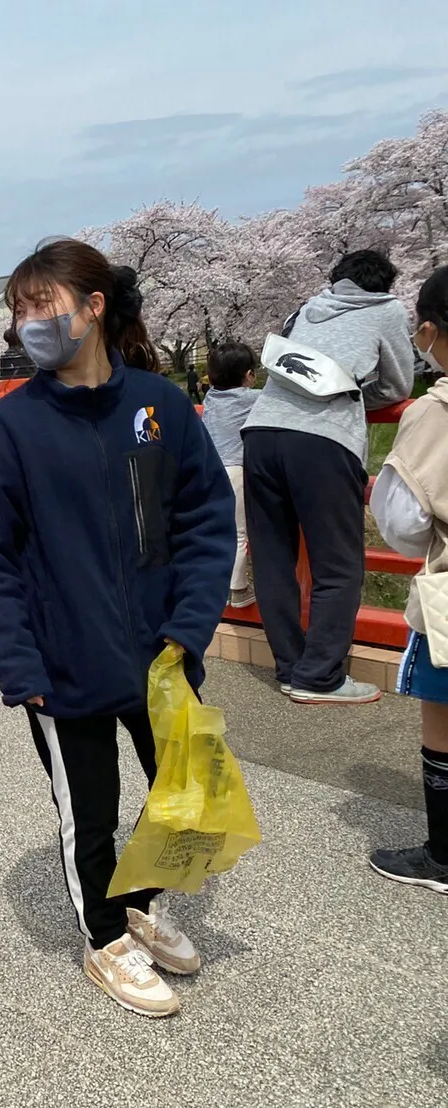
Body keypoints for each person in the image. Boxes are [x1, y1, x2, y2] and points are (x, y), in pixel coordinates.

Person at [0, 238, 234, 1019]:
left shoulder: (160, 406)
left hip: (163, 651)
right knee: (91, 812)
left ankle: (137, 901)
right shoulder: (8, 430)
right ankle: (106, 938)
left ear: (94, 307)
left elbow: (207, 521)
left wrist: (189, 626)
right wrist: (21, 667)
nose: (28, 322)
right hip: (63, 662)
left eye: (41, 305)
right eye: (20, 310)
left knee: (192, 792)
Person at [242, 248, 416, 704]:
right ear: (386, 284)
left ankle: (290, 667)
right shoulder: (388, 309)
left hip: (261, 431)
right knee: (338, 563)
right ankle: (319, 676)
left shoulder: (307, 308)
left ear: (336, 278)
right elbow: (398, 385)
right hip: (322, 439)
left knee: (273, 557)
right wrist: (353, 395)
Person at [367, 266, 448, 894]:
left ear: (426, 331)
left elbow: (403, 521)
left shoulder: (435, 410)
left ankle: (442, 854)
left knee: (441, 717)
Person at [201, 342, 261, 608]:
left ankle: (218, 587)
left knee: (216, 530)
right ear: (249, 375)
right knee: (238, 533)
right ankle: (237, 590)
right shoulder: (252, 398)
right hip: (235, 469)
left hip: (210, 468)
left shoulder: (210, 399)